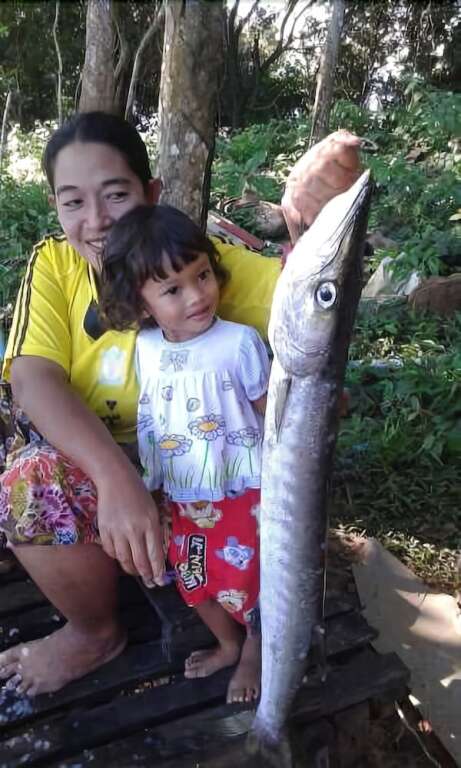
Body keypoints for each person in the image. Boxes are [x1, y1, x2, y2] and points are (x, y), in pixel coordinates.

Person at [0, 111, 361, 697]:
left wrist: (314, 225)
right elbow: (32, 378)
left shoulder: (201, 263)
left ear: (151, 193)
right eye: (73, 202)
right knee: (27, 465)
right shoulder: (56, 263)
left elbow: (314, 300)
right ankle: (91, 620)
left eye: (116, 194)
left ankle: (108, 629)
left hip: (196, 476)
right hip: (109, 462)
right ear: (55, 207)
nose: (96, 221)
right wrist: (115, 479)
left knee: (30, 483)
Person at [99, 203, 269, 703]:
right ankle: (227, 643)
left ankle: (256, 646)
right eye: (172, 290)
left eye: (202, 275)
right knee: (191, 577)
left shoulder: (239, 343)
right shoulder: (146, 348)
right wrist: (151, 487)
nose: (197, 295)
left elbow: (274, 418)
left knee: (251, 577)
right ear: (141, 302)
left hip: (243, 490)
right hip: (179, 493)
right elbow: (155, 416)